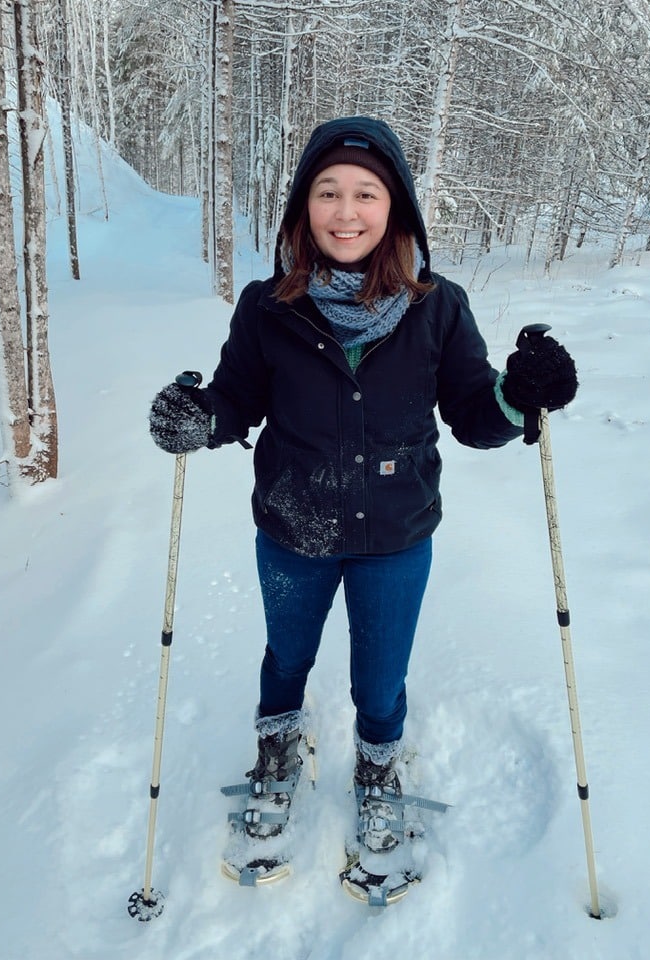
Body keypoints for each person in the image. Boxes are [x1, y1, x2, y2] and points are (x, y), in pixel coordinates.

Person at [149, 117, 577, 863]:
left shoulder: (437, 307)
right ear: (302, 208)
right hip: (293, 528)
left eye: (366, 194)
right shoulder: (266, 308)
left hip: (396, 534)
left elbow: (476, 413)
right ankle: (278, 752)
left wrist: (521, 395)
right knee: (287, 658)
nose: (346, 212)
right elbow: (236, 399)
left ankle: (377, 767)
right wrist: (197, 417)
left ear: (396, 208)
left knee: (380, 679)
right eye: (328, 192)